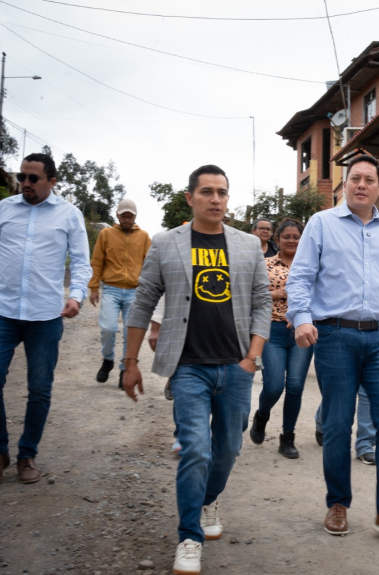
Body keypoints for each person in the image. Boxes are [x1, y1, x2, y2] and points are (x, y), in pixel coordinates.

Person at [121, 164, 271, 574]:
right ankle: (189, 536)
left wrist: (251, 358)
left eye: (222, 192)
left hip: (236, 367)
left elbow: (262, 302)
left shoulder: (246, 246)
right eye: (207, 191)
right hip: (188, 368)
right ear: (190, 198)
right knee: (195, 448)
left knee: (228, 449)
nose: (216, 199)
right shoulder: (168, 243)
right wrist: (130, 362)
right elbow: (143, 302)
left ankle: (208, 500)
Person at [286, 153, 379, 540]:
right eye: (354, 178)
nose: (361, 184)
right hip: (335, 337)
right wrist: (302, 318)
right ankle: (337, 503)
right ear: (345, 186)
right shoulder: (321, 224)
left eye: (368, 179)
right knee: (338, 423)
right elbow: (301, 277)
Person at [0, 152, 91, 484]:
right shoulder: (3, 209)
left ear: (51, 182)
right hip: (0, 311)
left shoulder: (70, 215)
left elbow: (82, 262)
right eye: (22, 177)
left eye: (33, 178)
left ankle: (27, 456)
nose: (25, 183)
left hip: (45, 315)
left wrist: (76, 296)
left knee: (40, 389)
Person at [249, 218, 314, 459]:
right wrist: (275, 293)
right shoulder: (265, 264)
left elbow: (320, 295)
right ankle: (262, 415)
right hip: (272, 331)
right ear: (278, 240)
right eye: (286, 236)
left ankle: (288, 437)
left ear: (302, 240)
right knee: (274, 386)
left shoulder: (310, 266)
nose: (291, 240)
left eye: (296, 237)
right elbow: (252, 293)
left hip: (302, 332)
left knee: (295, 386)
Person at [89, 199, 152, 388]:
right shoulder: (106, 234)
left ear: (135, 216)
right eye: (123, 215)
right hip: (111, 288)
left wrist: (148, 290)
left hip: (134, 291)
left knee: (129, 332)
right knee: (108, 328)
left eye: (130, 216)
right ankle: (107, 359)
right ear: (117, 215)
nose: (127, 219)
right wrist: (93, 287)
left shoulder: (144, 237)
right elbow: (97, 260)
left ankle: (124, 369)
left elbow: (149, 265)